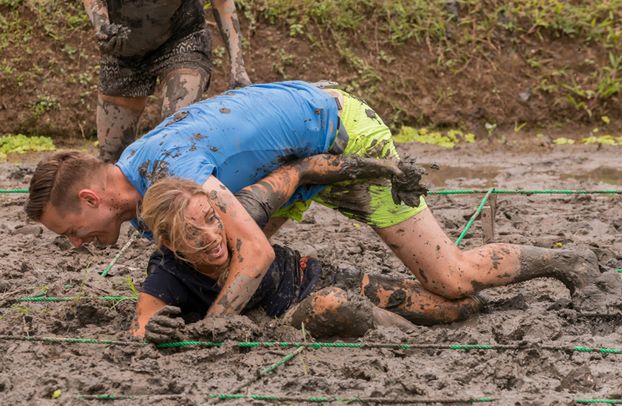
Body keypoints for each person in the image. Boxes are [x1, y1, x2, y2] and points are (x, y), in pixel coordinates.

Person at [26, 81, 604, 326]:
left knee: (452, 279)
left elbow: (252, 254)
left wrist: (218, 326)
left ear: (90, 196)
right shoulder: (145, 183)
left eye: (70, 230)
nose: (74, 244)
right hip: (290, 164)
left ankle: (572, 263)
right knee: (231, 252)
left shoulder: (168, 171)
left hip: (336, 135)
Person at [136, 177, 485, 342]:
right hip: (292, 314)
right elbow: (141, 326)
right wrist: (154, 330)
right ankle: (409, 339)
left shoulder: (232, 226)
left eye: (212, 220)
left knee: (457, 307)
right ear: (169, 242)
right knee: (334, 304)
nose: (212, 238)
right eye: (193, 235)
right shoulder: (167, 273)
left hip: (314, 274)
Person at [83, 0, 251, 162]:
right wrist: (102, 25)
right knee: (111, 156)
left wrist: (238, 67)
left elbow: (222, 3)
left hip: (182, 37)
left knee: (174, 135)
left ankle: (174, 184)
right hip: (124, 44)